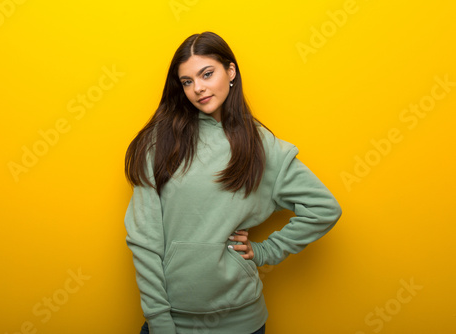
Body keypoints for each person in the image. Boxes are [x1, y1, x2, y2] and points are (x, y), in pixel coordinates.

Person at [124, 31, 342, 334]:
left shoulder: (262, 146)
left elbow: (324, 208)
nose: (198, 88)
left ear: (230, 71)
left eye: (207, 74)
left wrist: (265, 251)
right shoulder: (160, 143)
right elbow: (144, 239)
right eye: (187, 81)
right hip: (171, 321)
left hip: (244, 323)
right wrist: (160, 322)